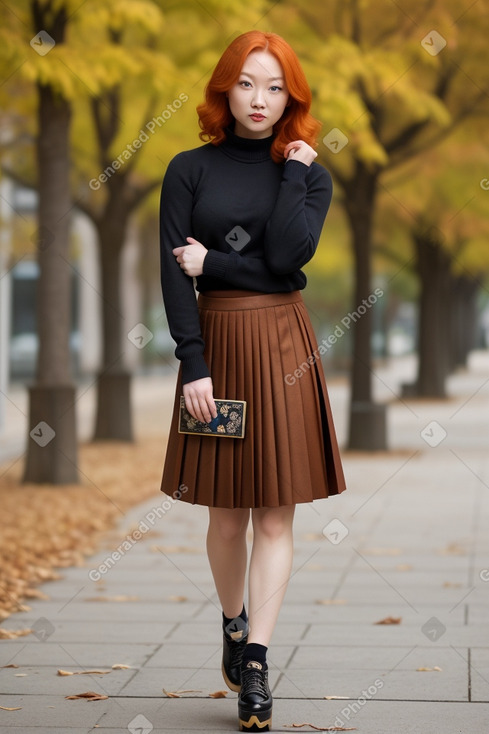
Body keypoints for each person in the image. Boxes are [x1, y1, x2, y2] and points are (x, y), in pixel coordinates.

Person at [159, 30, 346, 732]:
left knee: (276, 512)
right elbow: (171, 269)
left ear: (290, 95)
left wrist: (292, 179)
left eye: (274, 87)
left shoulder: (310, 175)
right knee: (225, 512)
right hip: (219, 343)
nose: (259, 99)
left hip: (282, 342)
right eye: (245, 83)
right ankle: (233, 623)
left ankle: (258, 664)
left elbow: (288, 261)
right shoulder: (187, 169)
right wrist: (191, 361)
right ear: (223, 90)